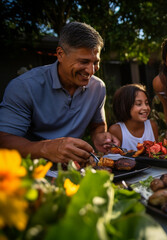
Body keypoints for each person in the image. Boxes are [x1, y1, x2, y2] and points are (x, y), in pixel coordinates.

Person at [0, 22, 119, 164]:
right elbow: (4, 139)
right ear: (60, 54)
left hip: (74, 169)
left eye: (95, 62)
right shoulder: (24, 87)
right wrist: (47, 148)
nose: (91, 71)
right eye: (84, 61)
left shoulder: (98, 87)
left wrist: (101, 137)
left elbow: (97, 125)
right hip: (31, 170)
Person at [108, 84, 158, 151]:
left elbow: (158, 155)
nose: (145, 108)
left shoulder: (152, 126)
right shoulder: (117, 130)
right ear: (125, 106)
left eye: (146, 103)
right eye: (139, 104)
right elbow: (112, 158)